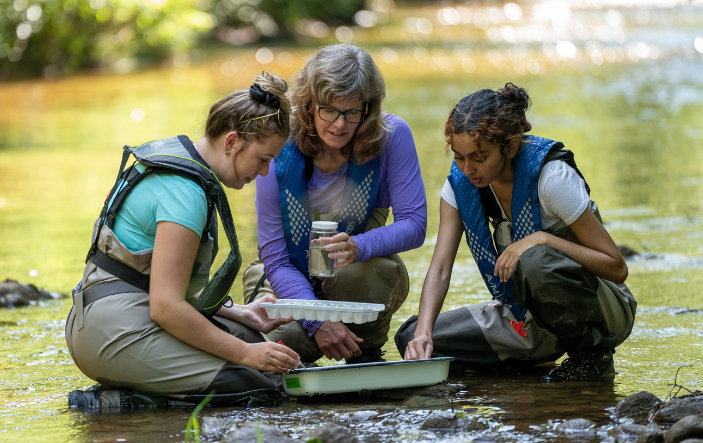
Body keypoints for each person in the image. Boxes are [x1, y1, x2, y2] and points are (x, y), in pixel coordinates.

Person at [65, 72, 300, 408]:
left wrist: (240, 313)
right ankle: (117, 404)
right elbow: (166, 307)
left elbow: (160, 282)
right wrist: (247, 354)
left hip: (105, 316)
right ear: (232, 142)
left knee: (251, 340)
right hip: (110, 333)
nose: (264, 173)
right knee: (257, 389)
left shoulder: (185, 166)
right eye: (263, 159)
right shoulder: (185, 193)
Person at [397, 83, 637, 381]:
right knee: (411, 337)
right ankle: (522, 369)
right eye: (459, 157)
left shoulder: (552, 179)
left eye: (479, 156)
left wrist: (545, 239)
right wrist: (423, 334)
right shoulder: (460, 186)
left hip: (604, 312)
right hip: (527, 319)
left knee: (534, 260)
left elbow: (616, 268)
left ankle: (592, 359)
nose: (467, 169)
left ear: (509, 146)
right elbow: (441, 270)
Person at [243, 44, 427, 365]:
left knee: (362, 274)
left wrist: (358, 246)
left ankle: (366, 354)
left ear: (368, 109)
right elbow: (275, 258)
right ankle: (312, 348)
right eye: (329, 110)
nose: (340, 125)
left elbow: (414, 225)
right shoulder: (276, 142)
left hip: (359, 273)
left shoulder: (393, 134)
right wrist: (317, 321)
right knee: (281, 345)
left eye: (352, 112)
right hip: (284, 273)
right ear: (308, 105)